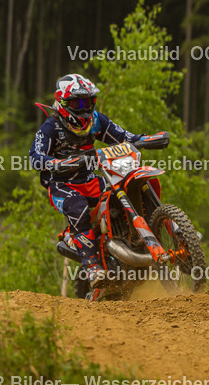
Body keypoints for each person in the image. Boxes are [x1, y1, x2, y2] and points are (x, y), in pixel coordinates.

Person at [29, 74, 164, 289]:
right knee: (79, 209)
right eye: (77, 104)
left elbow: (124, 136)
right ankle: (92, 268)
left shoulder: (96, 120)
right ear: (63, 103)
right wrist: (57, 163)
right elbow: (35, 156)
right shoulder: (51, 127)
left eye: (88, 102)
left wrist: (147, 139)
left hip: (90, 180)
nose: (84, 109)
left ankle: (145, 239)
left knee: (123, 192)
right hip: (62, 186)